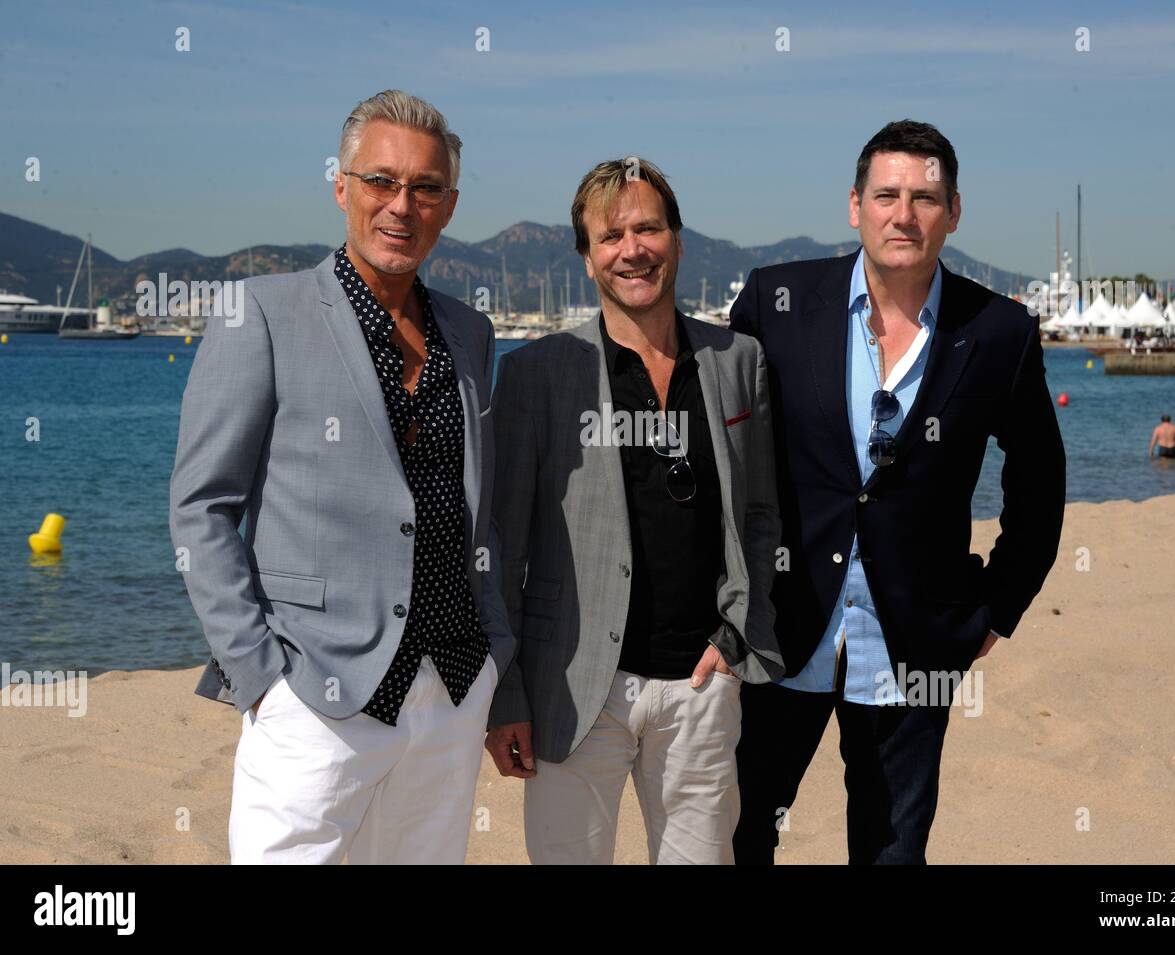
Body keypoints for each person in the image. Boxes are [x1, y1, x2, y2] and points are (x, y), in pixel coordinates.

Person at [169, 90, 513, 863]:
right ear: (341, 186)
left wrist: (495, 655)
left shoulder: (471, 330)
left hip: (451, 689)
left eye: (425, 188)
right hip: (314, 694)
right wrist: (260, 677)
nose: (402, 206)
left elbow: (476, 510)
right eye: (380, 181)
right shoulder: (259, 313)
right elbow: (202, 509)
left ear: (449, 206)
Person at [729, 119, 1067, 864]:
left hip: (919, 642)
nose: (903, 214)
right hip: (780, 626)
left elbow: (1039, 480)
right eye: (887, 194)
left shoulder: (1001, 331)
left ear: (953, 212)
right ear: (855, 205)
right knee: (741, 835)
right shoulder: (774, 301)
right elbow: (723, 449)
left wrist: (997, 606)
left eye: (925, 197)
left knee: (891, 852)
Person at [485, 157, 784, 864]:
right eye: (611, 235)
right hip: (573, 688)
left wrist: (739, 631)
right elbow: (500, 546)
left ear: (678, 241)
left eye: (648, 228)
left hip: (703, 684)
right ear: (587, 256)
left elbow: (764, 513)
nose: (633, 248)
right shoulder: (536, 372)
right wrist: (505, 694)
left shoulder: (738, 359)